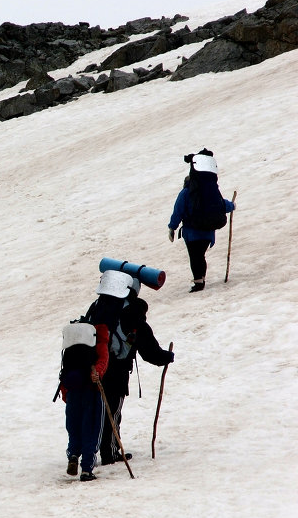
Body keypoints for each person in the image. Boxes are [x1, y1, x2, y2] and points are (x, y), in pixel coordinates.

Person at [59, 270, 134, 482]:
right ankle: (86, 469)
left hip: (73, 386)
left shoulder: (90, 316)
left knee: (74, 425)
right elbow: (104, 358)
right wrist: (98, 373)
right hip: (93, 389)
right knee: (92, 426)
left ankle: (73, 454)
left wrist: (65, 390)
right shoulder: (102, 334)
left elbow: (67, 363)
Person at [99, 282, 174, 466]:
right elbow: (149, 351)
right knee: (113, 411)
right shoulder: (132, 312)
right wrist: (167, 356)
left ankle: (85, 451)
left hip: (94, 365)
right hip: (116, 370)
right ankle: (109, 453)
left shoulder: (101, 305)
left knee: (95, 409)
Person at [168, 148, 236, 292]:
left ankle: (199, 281)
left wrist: (172, 227)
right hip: (208, 232)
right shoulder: (210, 192)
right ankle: (201, 278)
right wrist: (232, 205)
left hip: (192, 233)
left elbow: (178, 211)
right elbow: (221, 204)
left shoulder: (186, 193)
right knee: (200, 255)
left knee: (195, 256)